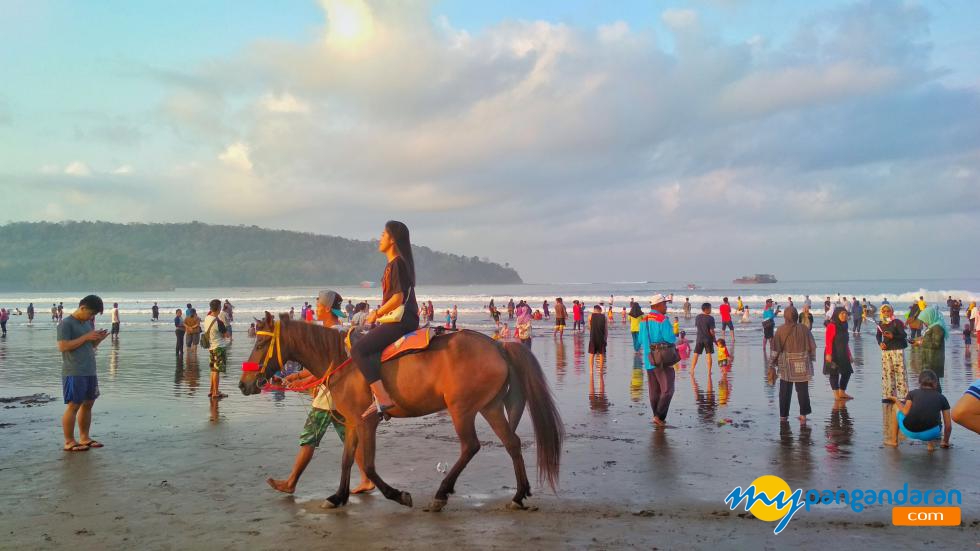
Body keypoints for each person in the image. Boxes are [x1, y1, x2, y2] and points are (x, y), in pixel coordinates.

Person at [351, 221, 420, 419]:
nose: (380, 238)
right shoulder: (393, 265)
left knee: (359, 350)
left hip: (401, 321)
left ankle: (382, 398)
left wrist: (376, 313)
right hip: (399, 319)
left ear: (392, 239)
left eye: (383, 234)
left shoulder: (397, 263)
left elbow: (397, 298)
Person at [58, 295, 109, 452]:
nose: (91, 317)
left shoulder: (87, 323)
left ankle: (84, 437)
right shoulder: (66, 324)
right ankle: (69, 441)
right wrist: (86, 336)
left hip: (89, 369)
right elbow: (63, 346)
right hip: (74, 370)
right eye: (91, 313)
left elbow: (89, 346)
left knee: (88, 403)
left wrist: (98, 339)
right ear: (82, 308)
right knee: (74, 405)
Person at [885, 370, 951, 451]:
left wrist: (896, 400)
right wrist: (945, 442)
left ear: (919, 382)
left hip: (909, 431)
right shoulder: (942, 398)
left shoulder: (912, 393)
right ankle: (930, 446)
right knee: (932, 413)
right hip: (931, 434)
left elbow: (905, 412)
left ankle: (893, 441)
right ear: (935, 383)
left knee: (896, 407)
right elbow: (948, 426)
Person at [637, 295, 677, 427]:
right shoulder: (662, 319)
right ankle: (659, 416)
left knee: (654, 391)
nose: (666, 306)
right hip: (662, 360)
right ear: (658, 305)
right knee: (667, 390)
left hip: (649, 360)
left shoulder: (643, 320)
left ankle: (656, 415)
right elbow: (670, 338)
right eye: (664, 304)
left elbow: (639, 340)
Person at [771, 306, 815, 423]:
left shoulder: (780, 330)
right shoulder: (804, 329)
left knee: (784, 391)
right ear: (796, 316)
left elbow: (775, 349)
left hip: (786, 365)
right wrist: (811, 359)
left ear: (785, 316)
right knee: (803, 391)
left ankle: (783, 416)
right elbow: (812, 346)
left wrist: (772, 362)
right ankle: (803, 416)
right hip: (802, 363)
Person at [876, 304, 909, 403]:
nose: (886, 313)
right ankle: (889, 395)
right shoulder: (881, 323)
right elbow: (878, 336)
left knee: (900, 372)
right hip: (886, 350)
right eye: (884, 311)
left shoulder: (897, 322)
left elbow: (904, 335)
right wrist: (880, 343)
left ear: (892, 311)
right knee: (887, 373)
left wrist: (893, 336)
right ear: (881, 312)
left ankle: (903, 396)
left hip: (897, 349)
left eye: (888, 311)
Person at [203, 299, 231, 399]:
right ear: (219, 308)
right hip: (219, 347)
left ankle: (212, 390)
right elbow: (226, 335)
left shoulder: (207, 318)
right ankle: (215, 392)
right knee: (216, 371)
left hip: (211, 347)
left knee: (213, 370)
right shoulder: (218, 322)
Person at [825, 307, 854, 400]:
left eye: (845, 313)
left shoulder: (844, 325)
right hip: (833, 353)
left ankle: (842, 392)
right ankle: (836, 394)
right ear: (836, 314)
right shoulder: (832, 325)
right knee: (834, 373)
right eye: (842, 313)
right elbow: (828, 341)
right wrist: (829, 354)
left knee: (847, 372)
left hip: (843, 352)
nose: (844, 315)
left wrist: (849, 355)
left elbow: (845, 342)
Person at [916, 306, 947, 392]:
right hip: (928, 359)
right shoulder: (932, 327)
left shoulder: (937, 328)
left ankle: (938, 401)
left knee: (934, 382)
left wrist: (922, 343)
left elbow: (936, 344)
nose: (924, 323)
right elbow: (930, 340)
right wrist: (921, 339)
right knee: (931, 382)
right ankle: (934, 400)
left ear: (930, 317)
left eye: (925, 320)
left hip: (933, 361)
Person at [690, 303, 715, 375]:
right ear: (706, 309)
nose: (711, 310)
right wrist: (714, 339)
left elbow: (697, 326)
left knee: (696, 354)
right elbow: (711, 331)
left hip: (699, 338)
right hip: (708, 339)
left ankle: (692, 370)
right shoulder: (710, 318)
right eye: (710, 308)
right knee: (709, 354)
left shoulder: (697, 317)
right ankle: (709, 372)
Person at [588, 305, 607, 373]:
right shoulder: (604, 317)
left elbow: (590, 328)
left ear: (594, 310)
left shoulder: (590, 316)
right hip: (601, 338)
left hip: (593, 337)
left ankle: (591, 370)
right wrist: (605, 339)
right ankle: (601, 370)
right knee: (601, 354)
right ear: (600, 310)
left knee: (592, 354)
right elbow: (606, 330)